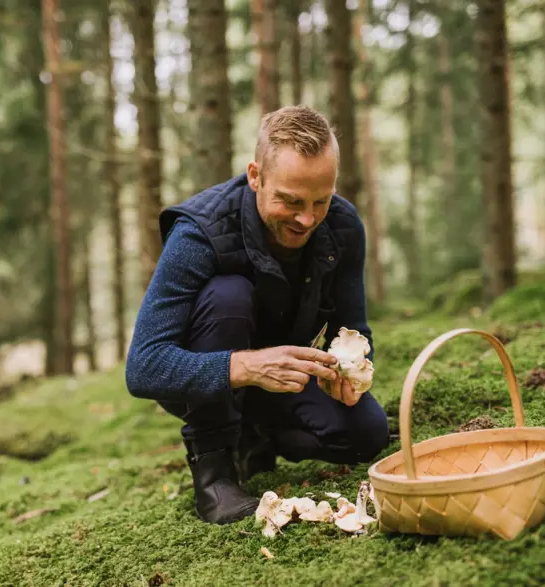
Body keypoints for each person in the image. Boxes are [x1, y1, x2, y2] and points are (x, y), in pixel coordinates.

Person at [124, 106, 390, 525]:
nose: (307, 219)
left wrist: (346, 375)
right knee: (228, 294)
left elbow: (353, 328)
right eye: (290, 201)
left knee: (367, 433)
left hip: (283, 379)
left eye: (321, 200)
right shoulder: (199, 231)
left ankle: (253, 439)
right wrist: (245, 365)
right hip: (208, 377)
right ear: (255, 176)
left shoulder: (342, 226)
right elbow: (142, 367)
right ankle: (214, 475)